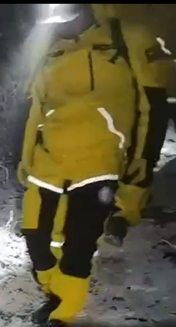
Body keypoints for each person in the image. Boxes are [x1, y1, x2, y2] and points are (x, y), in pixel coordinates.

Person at [17, 4, 171, 327]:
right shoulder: (46, 47)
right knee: (38, 240)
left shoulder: (127, 38)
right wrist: (24, 158)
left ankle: (62, 320)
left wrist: (140, 168)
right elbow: (33, 107)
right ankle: (55, 294)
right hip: (48, 162)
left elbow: (153, 108)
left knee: (79, 245)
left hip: (101, 161)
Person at [94, 4, 176, 246]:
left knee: (146, 134)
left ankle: (126, 207)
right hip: (114, 53)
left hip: (149, 59)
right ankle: (120, 206)